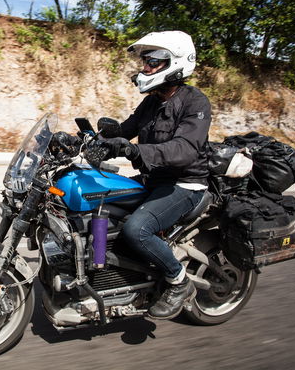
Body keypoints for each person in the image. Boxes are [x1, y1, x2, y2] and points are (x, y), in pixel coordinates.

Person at [86, 30, 211, 319]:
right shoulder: (153, 101)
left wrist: (134, 153)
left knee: (136, 229)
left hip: (185, 184)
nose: (145, 67)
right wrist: (92, 138)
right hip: (153, 179)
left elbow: (185, 149)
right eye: (145, 60)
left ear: (176, 63)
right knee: (99, 202)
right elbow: (126, 129)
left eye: (153, 61)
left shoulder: (195, 102)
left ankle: (179, 281)